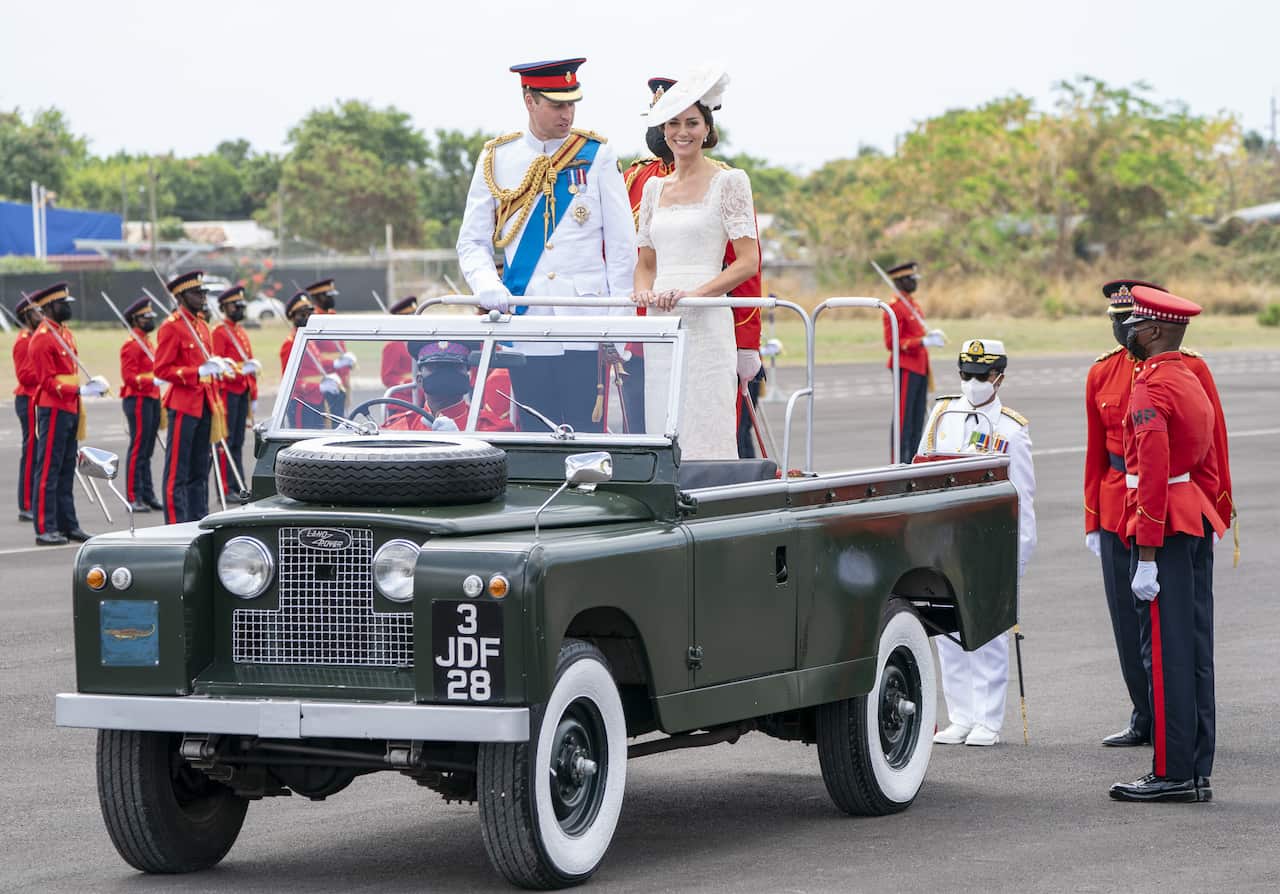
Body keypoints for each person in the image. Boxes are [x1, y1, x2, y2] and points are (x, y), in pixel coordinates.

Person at [1084, 279, 1234, 749]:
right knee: (1128, 626)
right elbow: (1095, 452)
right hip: (1115, 505)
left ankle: (1174, 731)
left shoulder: (1186, 369)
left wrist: (1212, 510)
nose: (1121, 327)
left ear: (1151, 326)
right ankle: (1145, 714)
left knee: (1169, 633)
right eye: (1115, 319)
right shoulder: (1101, 373)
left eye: (1129, 320)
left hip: (1170, 510)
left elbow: (1212, 448)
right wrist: (1092, 517)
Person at [456, 57, 635, 433]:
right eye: (557, 104)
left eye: (572, 104)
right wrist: (488, 285)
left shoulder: (596, 154)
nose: (567, 114)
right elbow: (471, 242)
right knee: (537, 433)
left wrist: (619, 323)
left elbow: (621, 245)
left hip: (585, 321)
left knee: (586, 436)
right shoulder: (497, 158)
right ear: (529, 101)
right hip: (527, 317)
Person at [624, 74, 766, 456]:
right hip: (662, 320)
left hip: (705, 313)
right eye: (673, 123)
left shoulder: (730, 181)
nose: (681, 132)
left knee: (706, 420)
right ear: (662, 129)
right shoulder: (652, 187)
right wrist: (645, 293)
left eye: (691, 123)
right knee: (662, 418)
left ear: (707, 129)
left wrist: (693, 296)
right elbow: (646, 262)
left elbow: (748, 263)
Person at [918, 339, 1036, 746]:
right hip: (945, 540)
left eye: (981, 376)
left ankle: (988, 719)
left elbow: (1023, 496)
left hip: (988, 543)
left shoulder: (1011, 429)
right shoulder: (942, 415)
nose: (972, 383)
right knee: (948, 629)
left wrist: (1019, 554)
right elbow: (922, 471)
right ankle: (961, 716)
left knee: (986, 630)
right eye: (966, 375)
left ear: (999, 378)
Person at [27, 282, 107, 545]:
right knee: (48, 470)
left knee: (65, 470)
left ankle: (68, 524)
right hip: (53, 408)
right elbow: (46, 381)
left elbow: (70, 371)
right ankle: (45, 527)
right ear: (49, 306)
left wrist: (88, 387)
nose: (68, 307)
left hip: (71, 407)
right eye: (63, 304)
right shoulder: (41, 339)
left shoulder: (65, 334)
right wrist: (80, 390)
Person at [153, 271, 230, 524]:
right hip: (184, 404)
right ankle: (175, 523)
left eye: (204, 292)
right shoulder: (171, 327)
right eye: (197, 293)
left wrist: (218, 367)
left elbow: (207, 364)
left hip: (205, 403)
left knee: (200, 468)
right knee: (178, 471)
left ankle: (197, 518)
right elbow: (161, 370)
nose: (203, 297)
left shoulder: (202, 326)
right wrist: (197, 372)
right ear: (181, 296)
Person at [884, 261, 945, 463]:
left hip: (919, 366)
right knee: (904, 418)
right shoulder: (894, 308)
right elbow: (892, 342)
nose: (914, 282)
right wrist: (922, 341)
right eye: (910, 279)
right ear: (900, 281)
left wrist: (929, 336)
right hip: (906, 367)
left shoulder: (912, 304)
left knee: (918, 418)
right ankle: (898, 461)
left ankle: (912, 459)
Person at [384, 341, 515, 433]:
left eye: (454, 368)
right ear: (419, 380)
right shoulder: (402, 427)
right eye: (435, 368)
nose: (444, 375)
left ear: (467, 378)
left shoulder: (491, 428)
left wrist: (463, 443)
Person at [118, 296, 165, 512]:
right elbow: (129, 377)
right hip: (137, 399)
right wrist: (151, 380)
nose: (149, 320)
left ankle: (147, 493)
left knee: (148, 449)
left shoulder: (146, 342)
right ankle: (132, 495)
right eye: (145, 317)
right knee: (138, 448)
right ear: (135, 320)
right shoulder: (131, 345)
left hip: (152, 397)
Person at [212, 285, 260, 495]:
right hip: (227, 393)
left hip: (242, 393)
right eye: (235, 305)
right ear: (224, 307)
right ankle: (225, 487)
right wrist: (241, 371)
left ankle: (237, 483)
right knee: (227, 442)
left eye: (241, 304)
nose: (239, 308)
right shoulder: (220, 333)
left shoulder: (240, 331)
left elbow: (247, 365)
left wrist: (254, 392)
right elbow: (219, 368)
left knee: (238, 442)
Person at [280, 291, 336, 428]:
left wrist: (334, 366)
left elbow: (316, 366)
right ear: (293, 317)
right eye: (302, 315)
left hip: (316, 398)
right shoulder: (290, 344)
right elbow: (290, 381)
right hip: (301, 402)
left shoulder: (308, 340)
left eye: (309, 314)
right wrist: (317, 386)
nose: (307, 318)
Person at [304, 278, 356, 415]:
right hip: (325, 378)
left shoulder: (332, 316)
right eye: (329, 296)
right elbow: (312, 356)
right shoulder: (313, 320)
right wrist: (334, 363)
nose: (332, 299)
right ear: (318, 298)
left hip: (340, 376)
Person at [11, 296, 41, 522]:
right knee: (31, 452)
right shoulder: (23, 341)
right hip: (28, 399)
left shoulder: (37, 338)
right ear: (26, 316)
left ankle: (35, 500)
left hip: (40, 399)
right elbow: (24, 375)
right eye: (36, 311)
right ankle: (26, 504)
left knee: (39, 453)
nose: (41, 315)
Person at [381, 295, 419, 388]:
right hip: (403, 397)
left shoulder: (420, 340)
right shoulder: (393, 345)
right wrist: (409, 382)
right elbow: (387, 377)